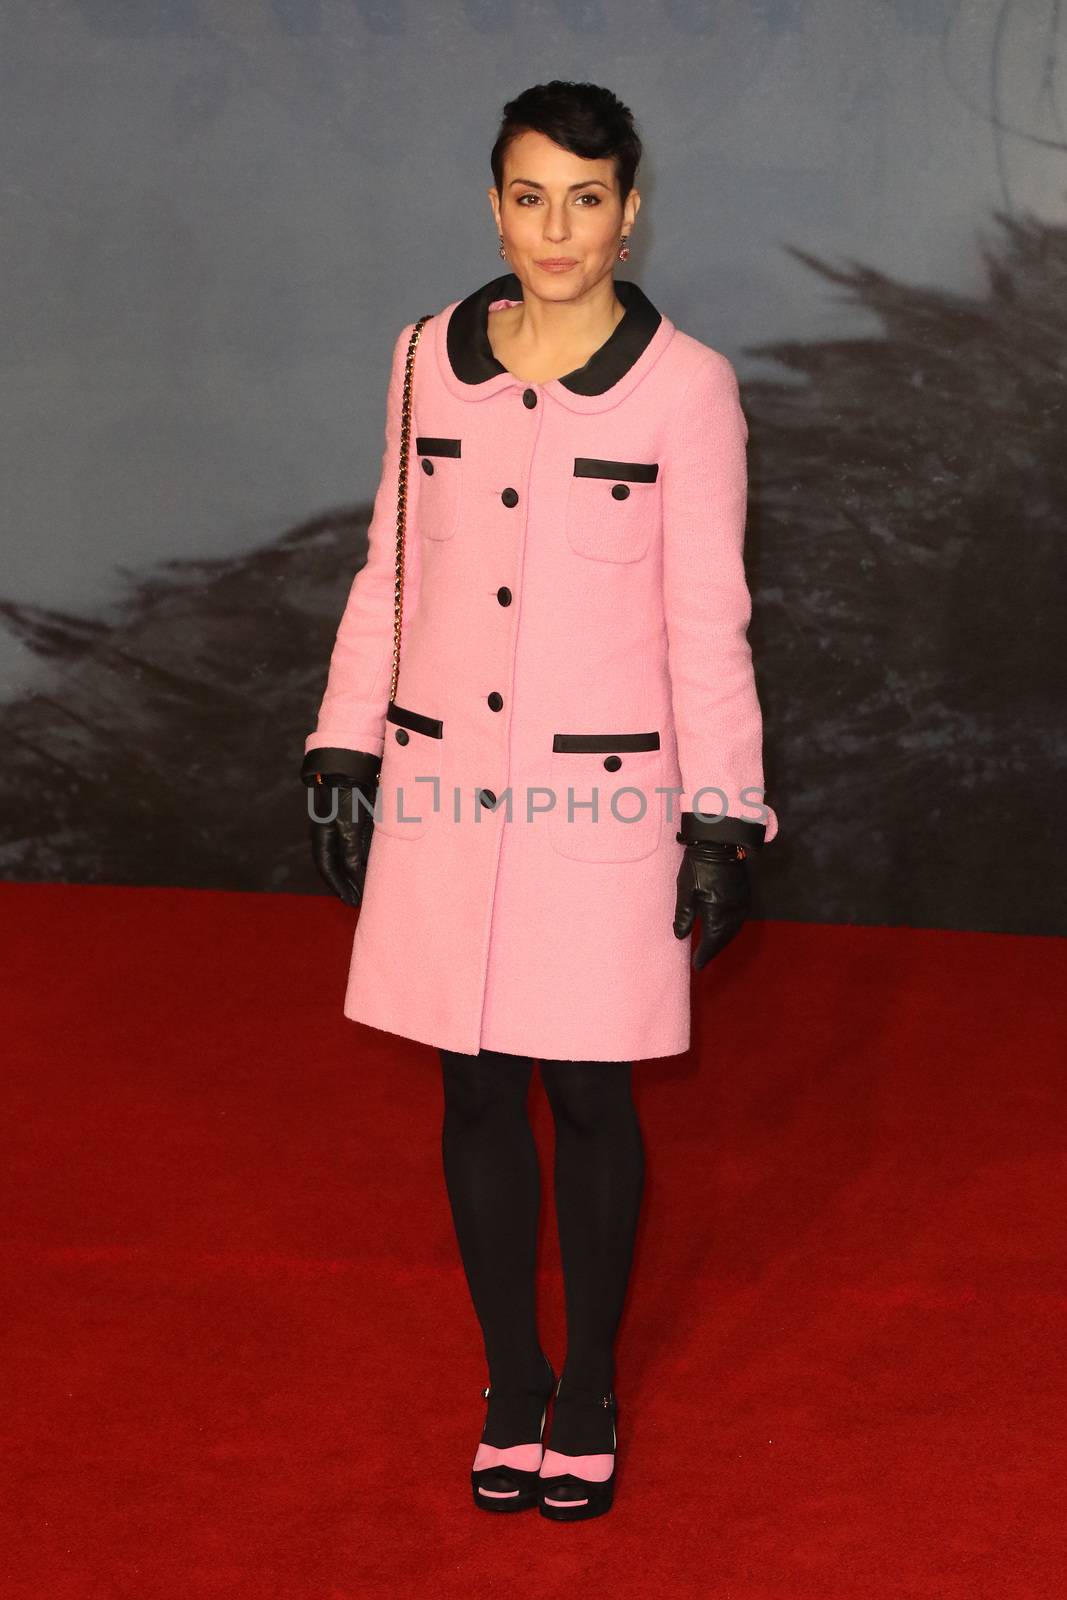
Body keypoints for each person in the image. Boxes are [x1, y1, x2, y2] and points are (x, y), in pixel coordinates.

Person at [300, 80, 778, 1522]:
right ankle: (512, 1379)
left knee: (589, 1094)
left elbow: (709, 616)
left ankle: (592, 1392)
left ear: (630, 213)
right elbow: (390, 568)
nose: (555, 229)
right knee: (472, 1090)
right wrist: (343, 747)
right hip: (443, 789)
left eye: (586, 198)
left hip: (605, 811)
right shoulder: (419, 364)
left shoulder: (686, 388)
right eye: (528, 195)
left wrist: (723, 812)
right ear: (494, 204)